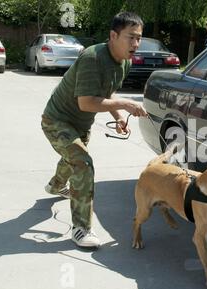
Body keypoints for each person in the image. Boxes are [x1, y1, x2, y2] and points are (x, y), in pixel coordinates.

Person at [41, 12, 147, 249]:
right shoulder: (92, 58)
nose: (136, 44)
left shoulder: (125, 63)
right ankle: (81, 228)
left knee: (73, 158)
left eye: (139, 38)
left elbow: (106, 93)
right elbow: (87, 103)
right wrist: (125, 104)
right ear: (113, 35)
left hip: (81, 124)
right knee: (83, 162)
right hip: (56, 120)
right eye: (131, 37)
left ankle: (55, 186)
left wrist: (118, 116)